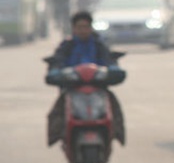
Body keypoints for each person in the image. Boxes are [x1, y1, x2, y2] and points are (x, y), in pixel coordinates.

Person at [46, 11, 125, 146]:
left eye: (86, 27)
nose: (83, 30)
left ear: (91, 27)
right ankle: (58, 135)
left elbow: (109, 61)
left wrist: (113, 70)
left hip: (97, 87)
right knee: (57, 112)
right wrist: (55, 71)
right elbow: (58, 61)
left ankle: (116, 133)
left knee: (114, 106)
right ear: (73, 29)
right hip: (72, 88)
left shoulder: (99, 45)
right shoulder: (67, 45)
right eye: (79, 27)